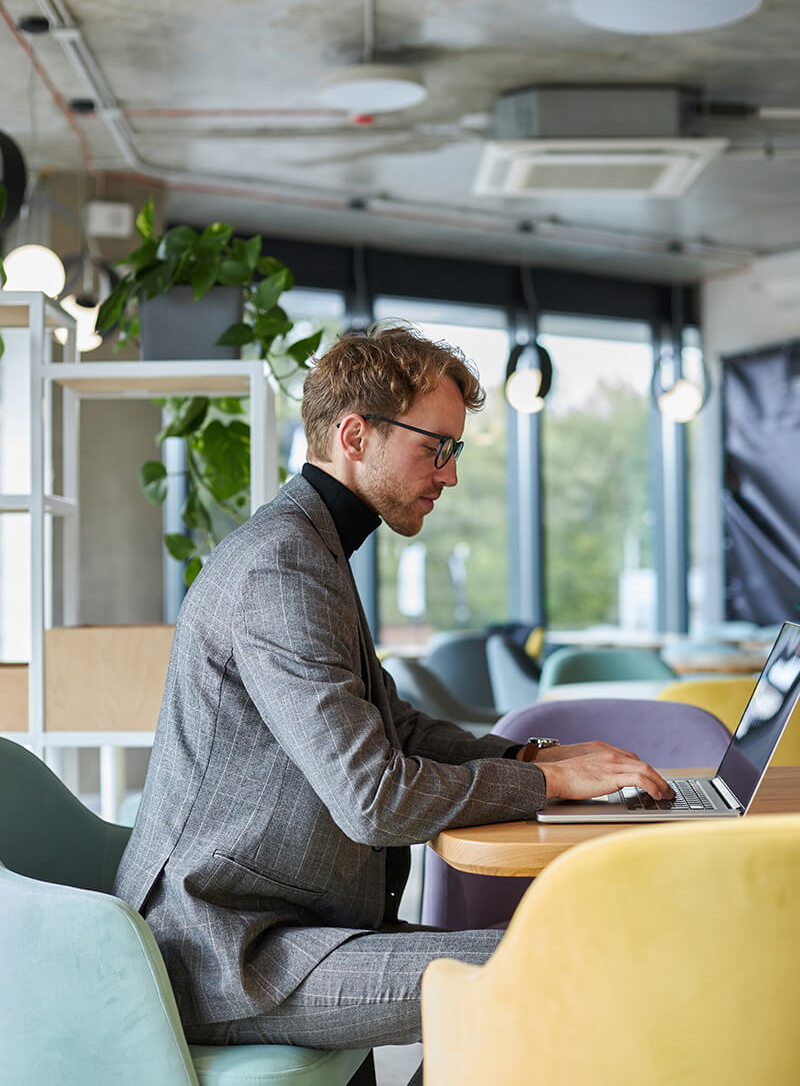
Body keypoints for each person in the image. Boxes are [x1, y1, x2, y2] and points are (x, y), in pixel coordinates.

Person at [114, 323, 670, 1077]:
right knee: (570, 954)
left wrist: (528, 755)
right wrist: (546, 784)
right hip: (228, 955)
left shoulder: (312, 548)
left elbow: (393, 727)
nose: (448, 474)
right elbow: (373, 798)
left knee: (568, 942)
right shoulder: (282, 568)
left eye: (454, 450)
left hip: (287, 928)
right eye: (433, 447)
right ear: (353, 434)